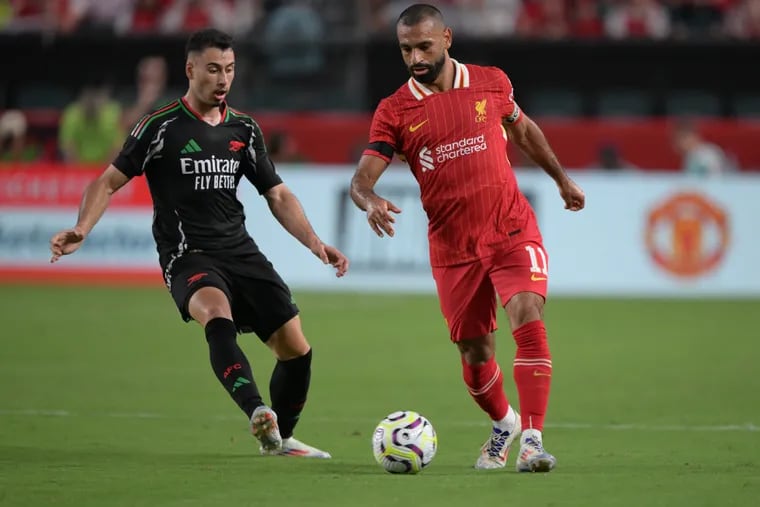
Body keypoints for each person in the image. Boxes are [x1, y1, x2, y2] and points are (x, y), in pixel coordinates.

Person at [50, 28, 349, 458]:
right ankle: (256, 411)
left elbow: (278, 194)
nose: (223, 78)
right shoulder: (159, 126)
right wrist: (82, 227)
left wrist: (316, 243)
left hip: (240, 250)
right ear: (190, 70)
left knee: (296, 350)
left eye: (229, 69)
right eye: (213, 69)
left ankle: (279, 440)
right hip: (188, 253)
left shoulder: (243, 129)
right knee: (216, 313)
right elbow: (107, 181)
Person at [349, 4, 584, 472]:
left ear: (447, 38)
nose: (415, 56)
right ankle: (504, 425)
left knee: (526, 311)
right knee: (475, 354)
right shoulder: (395, 110)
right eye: (405, 49)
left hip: (510, 226)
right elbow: (361, 179)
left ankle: (533, 440)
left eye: (423, 46)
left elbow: (524, 130)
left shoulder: (491, 81)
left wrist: (560, 178)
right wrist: (369, 198)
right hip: (454, 247)